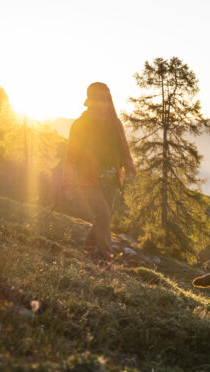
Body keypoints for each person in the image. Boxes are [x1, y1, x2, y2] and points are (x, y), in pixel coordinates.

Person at [63, 82, 136, 260]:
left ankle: (89, 245)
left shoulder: (115, 123)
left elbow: (124, 148)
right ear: (90, 100)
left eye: (106, 98)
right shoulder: (79, 125)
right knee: (103, 213)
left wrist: (130, 169)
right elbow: (71, 156)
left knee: (104, 215)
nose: (103, 103)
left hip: (111, 179)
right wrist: (68, 184)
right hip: (87, 180)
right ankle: (105, 255)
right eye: (99, 98)